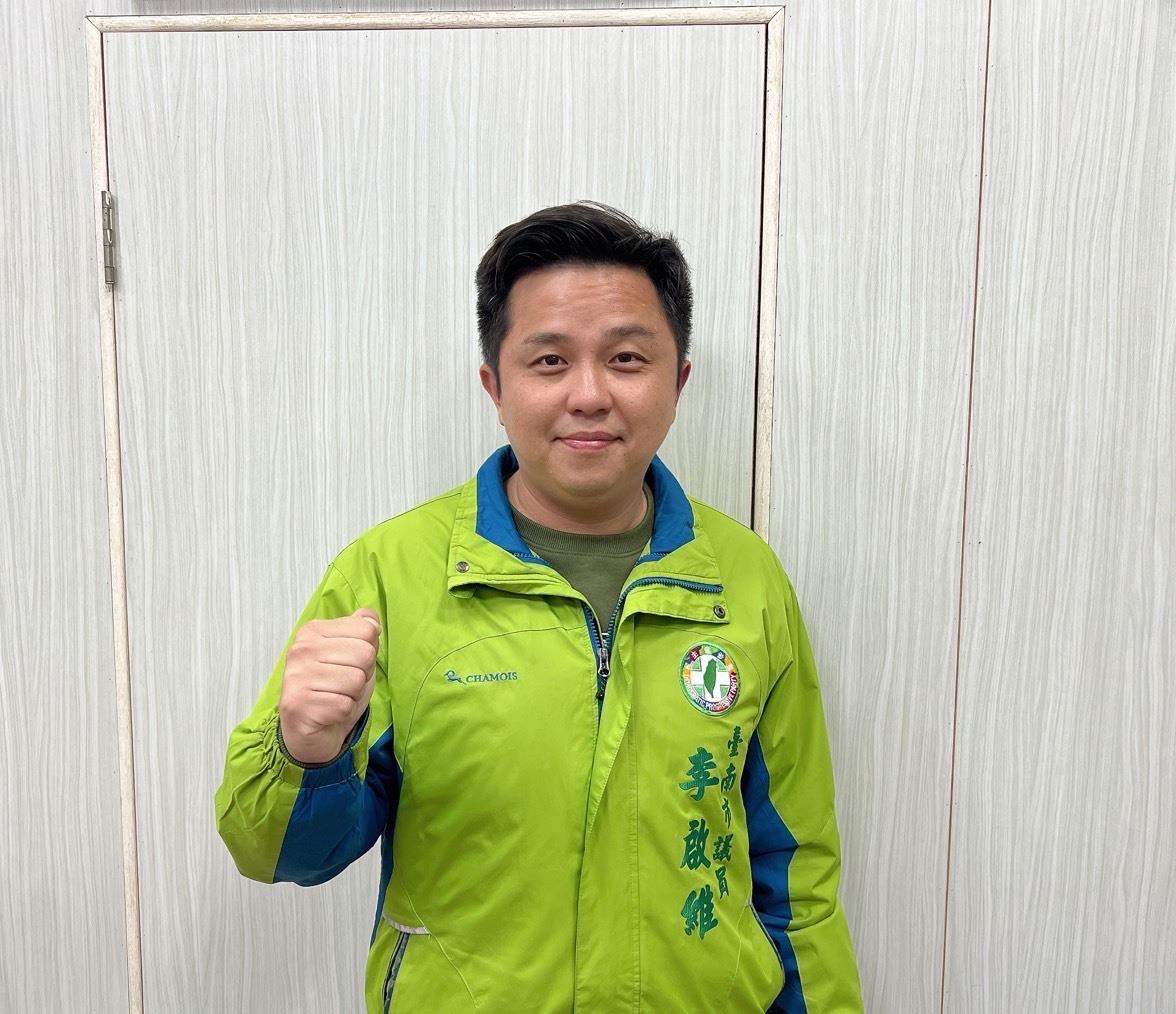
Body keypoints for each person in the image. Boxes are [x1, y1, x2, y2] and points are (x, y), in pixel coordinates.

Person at [215, 201, 863, 1012]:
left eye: (626, 359)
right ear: (495, 384)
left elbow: (796, 871)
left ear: (678, 382)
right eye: (550, 361)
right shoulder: (389, 575)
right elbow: (280, 854)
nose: (589, 395)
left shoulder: (745, 579)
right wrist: (305, 754)